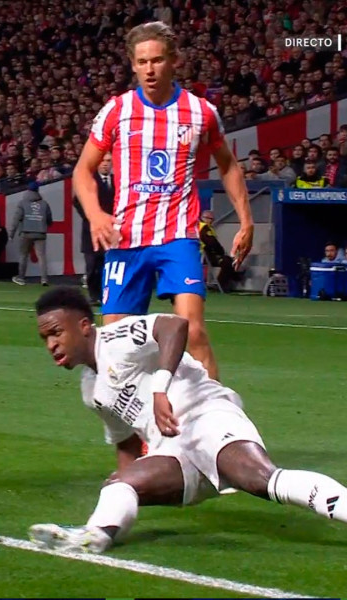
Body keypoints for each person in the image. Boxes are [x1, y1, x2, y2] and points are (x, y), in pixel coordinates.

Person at [28, 286, 347, 554]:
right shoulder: (91, 391)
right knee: (118, 485)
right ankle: (92, 537)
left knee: (263, 480)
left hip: (205, 417)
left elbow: (175, 326)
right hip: (172, 452)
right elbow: (126, 441)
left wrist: (159, 389)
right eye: (45, 338)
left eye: (56, 332)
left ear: (84, 326)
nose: (51, 344)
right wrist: (126, 482)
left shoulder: (116, 339)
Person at [74, 21, 254, 381]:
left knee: (193, 332)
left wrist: (246, 220)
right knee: (116, 347)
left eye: (157, 60)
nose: (149, 69)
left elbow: (229, 164)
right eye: (142, 62)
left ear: (174, 61)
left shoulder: (200, 112)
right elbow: (83, 170)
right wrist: (95, 215)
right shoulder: (117, 111)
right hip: (126, 240)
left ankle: (216, 421)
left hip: (178, 237)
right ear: (132, 64)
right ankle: (142, 431)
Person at [74, 152, 115, 304]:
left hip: (112, 232)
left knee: (110, 265)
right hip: (91, 231)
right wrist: (93, 217)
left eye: (108, 161)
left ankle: (108, 295)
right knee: (92, 266)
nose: (105, 164)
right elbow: (78, 202)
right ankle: (94, 295)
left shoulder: (119, 181)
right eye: (103, 161)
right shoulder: (89, 181)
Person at [9, 183, 53, 286]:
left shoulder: (22, 203)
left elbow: (16, 219)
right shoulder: (44, 204)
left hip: (26, 232)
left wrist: (11, 234)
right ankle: (44, 279)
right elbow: (49, 219)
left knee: (23, 255)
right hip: (40, 233)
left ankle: (21, 278)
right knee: (41, 256)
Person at [198, 210, 242, 292]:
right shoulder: (204, 228)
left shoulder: (198, 226)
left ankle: (235, 276)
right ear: (205, 218)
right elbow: (212, 243)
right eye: (210, 219)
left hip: (199, 255)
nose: (211, 221)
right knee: (227, 262)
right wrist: (220, 252)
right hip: (205, 256)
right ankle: (222, 284)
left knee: (227, 260)